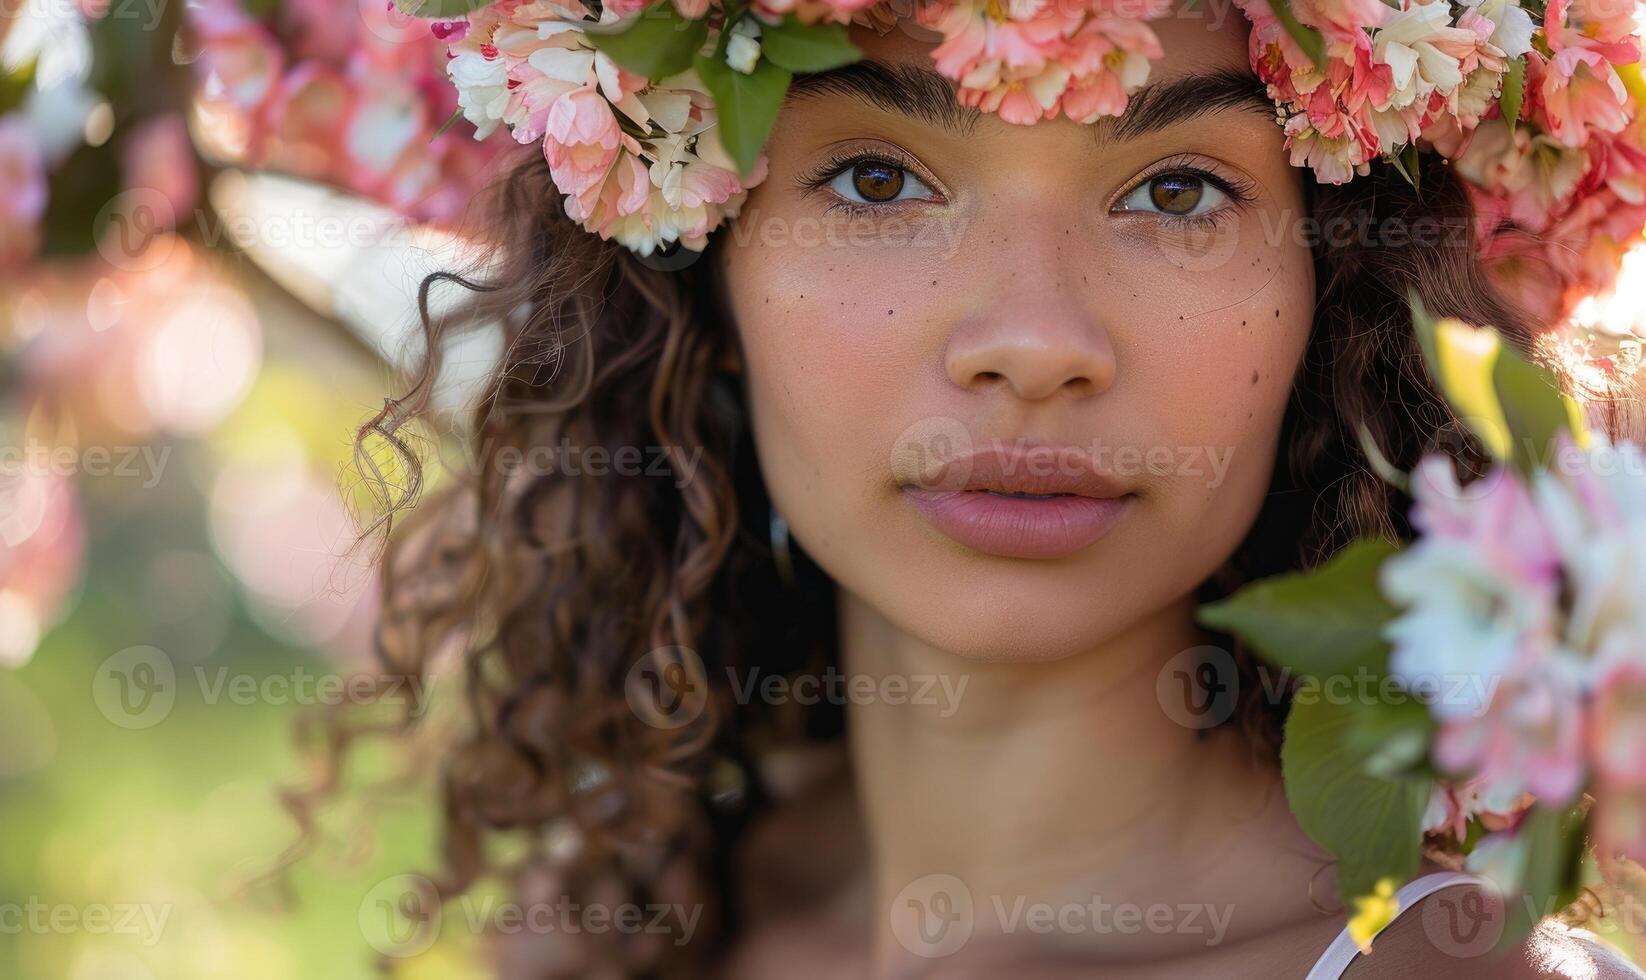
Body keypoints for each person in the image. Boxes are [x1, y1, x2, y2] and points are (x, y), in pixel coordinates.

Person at [359, 13, 1646, 979]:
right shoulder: (621, 921)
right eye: (876, 180)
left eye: (1177, 190)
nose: (1033, 340)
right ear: (700, 276)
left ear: (1335, 297)